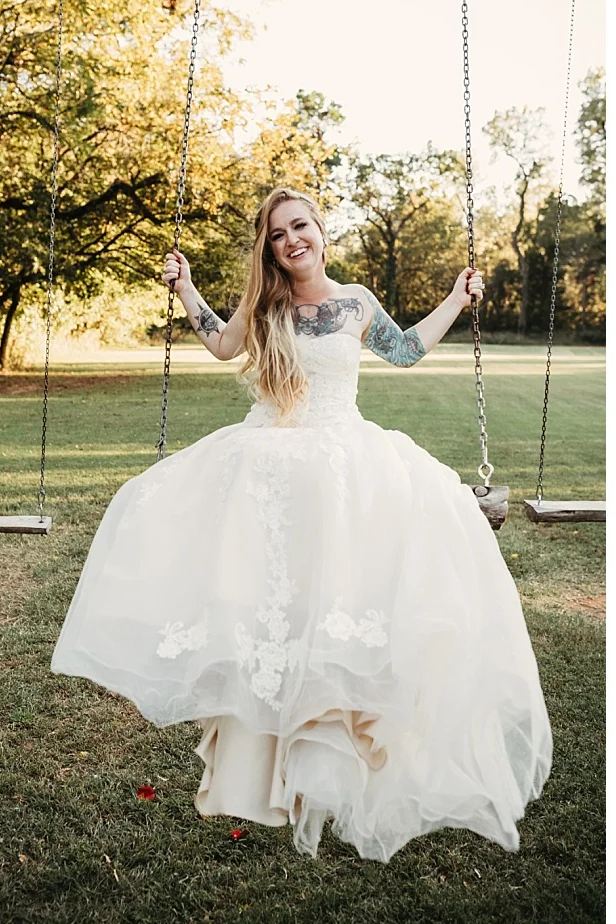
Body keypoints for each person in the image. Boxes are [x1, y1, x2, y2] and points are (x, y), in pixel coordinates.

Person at [51, 186, 551, 861]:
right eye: (278, 234)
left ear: (321, 229)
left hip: (345, 460)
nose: (292, 241)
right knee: (269, 614)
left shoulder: (357, 302)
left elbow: (403, 352)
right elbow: (225, 347)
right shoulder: (266, 306)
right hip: (270, 461)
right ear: (271, 248)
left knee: (340, 604)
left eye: (301, 227)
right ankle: (268, 752)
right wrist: (186, 289)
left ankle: (334, 739)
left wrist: (459, 301)